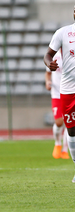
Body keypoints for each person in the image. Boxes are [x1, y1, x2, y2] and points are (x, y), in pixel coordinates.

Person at [44, 5, 75, 182]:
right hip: (68, 89)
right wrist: (49, 64)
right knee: (71, 130)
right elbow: (48, 55)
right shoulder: (62, 33)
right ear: (74, 13)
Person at [45, 49, 69, 159]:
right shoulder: (54, 57)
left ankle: (65, 150)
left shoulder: (71, 55)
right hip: (57, 93)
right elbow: (48, 73)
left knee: (69, 123)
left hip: (69, 92)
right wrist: (48, 82)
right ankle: (57, 143)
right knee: (59, 122)